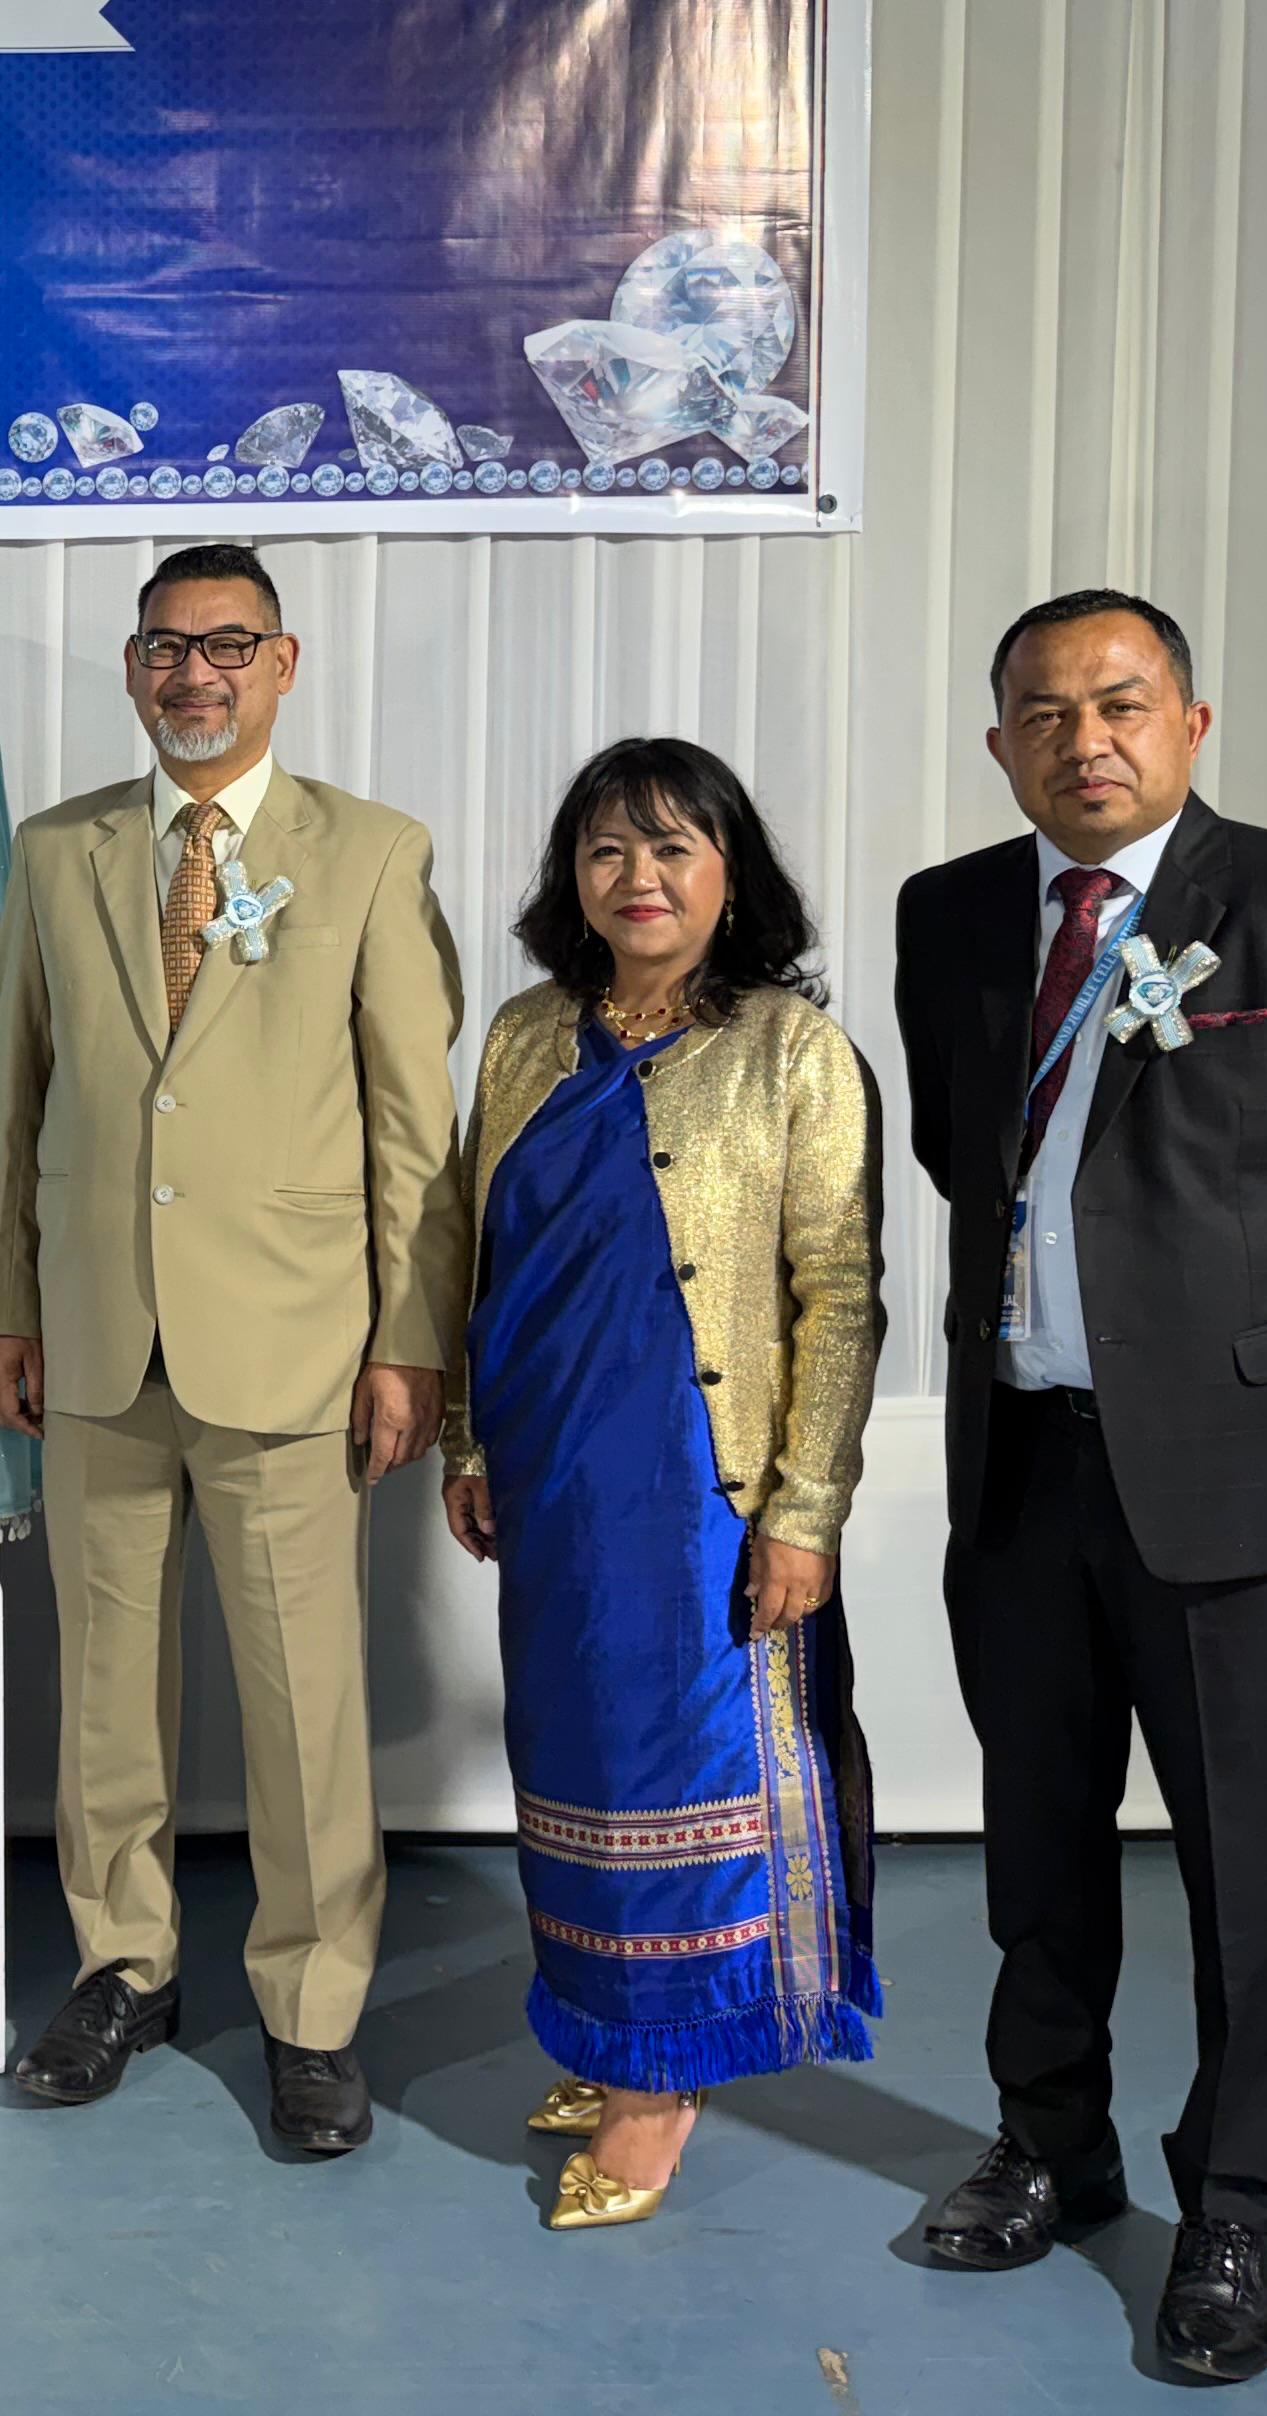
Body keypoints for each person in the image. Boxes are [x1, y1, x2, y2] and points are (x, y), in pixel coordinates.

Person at [893, 590, 1267, 2383]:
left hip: (1242, 1486)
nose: (1084, 739)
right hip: (1023, 1467)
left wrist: (1259, 1344)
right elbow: (964, 1153)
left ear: (1191, 722)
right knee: (1037, 1844)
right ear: (1000, 744)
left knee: (1248, 1868)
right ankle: (1050, 2146)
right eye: (1044, 713)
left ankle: (1236, 2206)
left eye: (1121, 703)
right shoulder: (951, 915)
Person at [0, 541, 468, 2160]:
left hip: (295, 1345)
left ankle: (314, 2010)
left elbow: (414, 1127)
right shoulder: (60, 852)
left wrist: (411, 1341)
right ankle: (124, 1966)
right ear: (135, 668)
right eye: (167, 648)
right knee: (105, 1691)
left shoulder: (372, 854)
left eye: (228, 645)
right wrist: (8, 1301)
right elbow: (16, 1096)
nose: (195, 675)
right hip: (100, 1338)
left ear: (283, 663)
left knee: (303, 1701)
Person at [441, 739, 885, 2229]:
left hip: (695, 1489)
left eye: (673, 846)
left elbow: (840, 1295)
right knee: (567, 1760)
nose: (638, 877)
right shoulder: (524, 1035)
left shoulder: (792, 1050)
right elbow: (477, 1255)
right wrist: (469, 1441)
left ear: (730, 874)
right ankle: (603, 2025)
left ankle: (663, 2082)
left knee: (675, 1773)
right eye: (606, 849)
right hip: (552, 1476)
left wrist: (804, 1513)